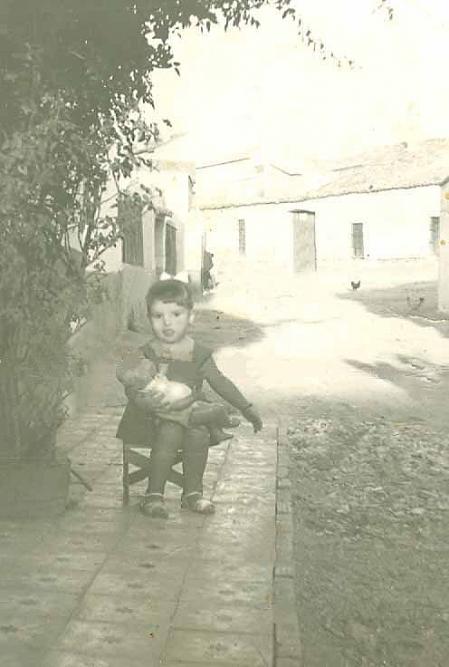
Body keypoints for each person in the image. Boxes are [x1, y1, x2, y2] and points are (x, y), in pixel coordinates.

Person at [116, 278, 263, 519]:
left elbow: (220, 382)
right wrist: (140, 399)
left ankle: (192, 493)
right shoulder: (142, 352)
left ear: (190, 317)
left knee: (198, 433)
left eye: (176, 314)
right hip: (149, 420)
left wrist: (246, 408)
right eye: (158, 316)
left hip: (189, 414)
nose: (167, 323)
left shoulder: (199, 353)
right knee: (171, 431)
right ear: (149, 318)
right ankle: (153, 495)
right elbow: (128, 382)